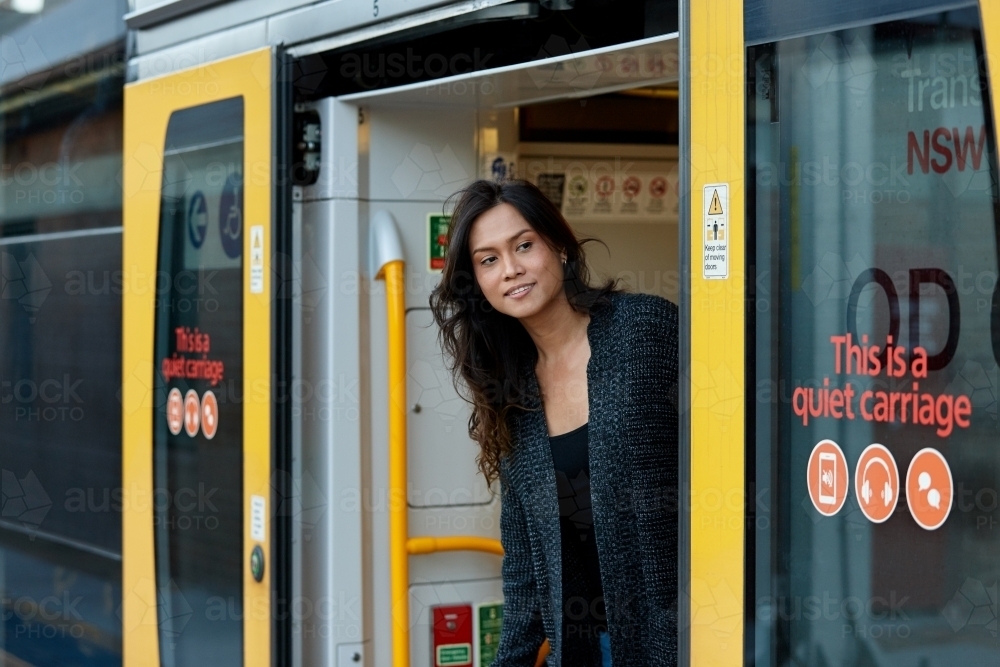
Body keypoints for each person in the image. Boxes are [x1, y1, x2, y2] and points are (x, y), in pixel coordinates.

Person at [430, 179, 678, 666]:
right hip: (592, 650)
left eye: (523, 245)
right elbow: (526, 568)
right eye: (489, 260)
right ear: (476, 282)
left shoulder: (644, 332)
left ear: (560, 246)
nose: (512, 269)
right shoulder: (510, 392)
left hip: (689, 638)